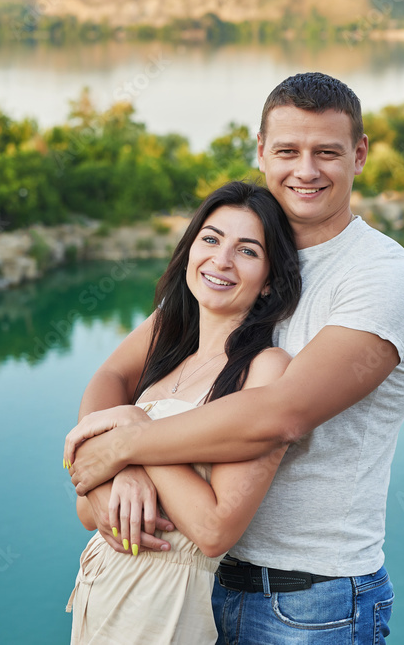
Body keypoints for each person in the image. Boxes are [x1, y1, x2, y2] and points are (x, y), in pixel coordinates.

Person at [66, 72, 404, 644]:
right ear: (261, 151)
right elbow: (115, 372)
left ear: (359, 155)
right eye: (287, 150)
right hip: (199, 586)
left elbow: (279, 415)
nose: (305, 171)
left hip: (309, 600)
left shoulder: (378, 277)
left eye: (326, 153)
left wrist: (126, 440)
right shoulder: (231, 264)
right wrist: (120, 472)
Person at [64, 181, 302, 643]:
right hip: (101, 591)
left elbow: (215, 529)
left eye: (247, 251)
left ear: (270, 278)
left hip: (167, 606)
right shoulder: (169, 346)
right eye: (211, 239)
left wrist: (135, 435)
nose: (221, 260)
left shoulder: (265, 368)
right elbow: (86, 510)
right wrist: (120, 467)